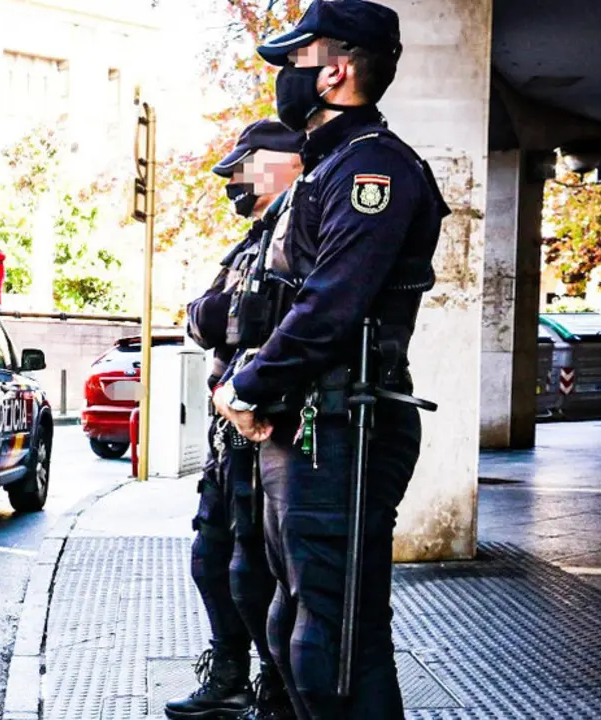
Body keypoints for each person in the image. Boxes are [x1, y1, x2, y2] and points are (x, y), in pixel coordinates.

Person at [211, 2, 450, 718]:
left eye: (297, 60)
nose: (285, 74)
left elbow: (331, 304)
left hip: (345, 425)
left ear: (338, 70)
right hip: (310, 424)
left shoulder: (373, 169)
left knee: (336, 647)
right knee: (291, 626)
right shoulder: (332, 168)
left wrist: (250, 386)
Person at [166, 120, 304, 720]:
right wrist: (228, 314)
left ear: (279, 163)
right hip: (230, 435)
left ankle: (274, 687)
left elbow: (262, 315)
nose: (235, 186)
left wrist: (229, 314)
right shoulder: (253, 240)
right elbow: (202, 314)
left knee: (255, 570)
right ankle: (229, 673)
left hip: (268, 427)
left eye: (243, 171)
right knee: (210, 555)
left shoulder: (302, 223)